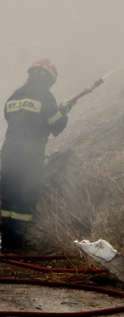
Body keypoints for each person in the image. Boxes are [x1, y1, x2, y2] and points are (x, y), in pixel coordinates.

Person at [1, 59, 69, 253]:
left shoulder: (15, 95)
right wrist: (63, 111)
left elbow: (12, 118)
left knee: (8, 195)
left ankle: (6, 242)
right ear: (49, 78)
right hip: (29, 155)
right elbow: (56, 125)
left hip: (9, 152)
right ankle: (17, 242)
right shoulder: (45, 96)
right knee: (26, 194)